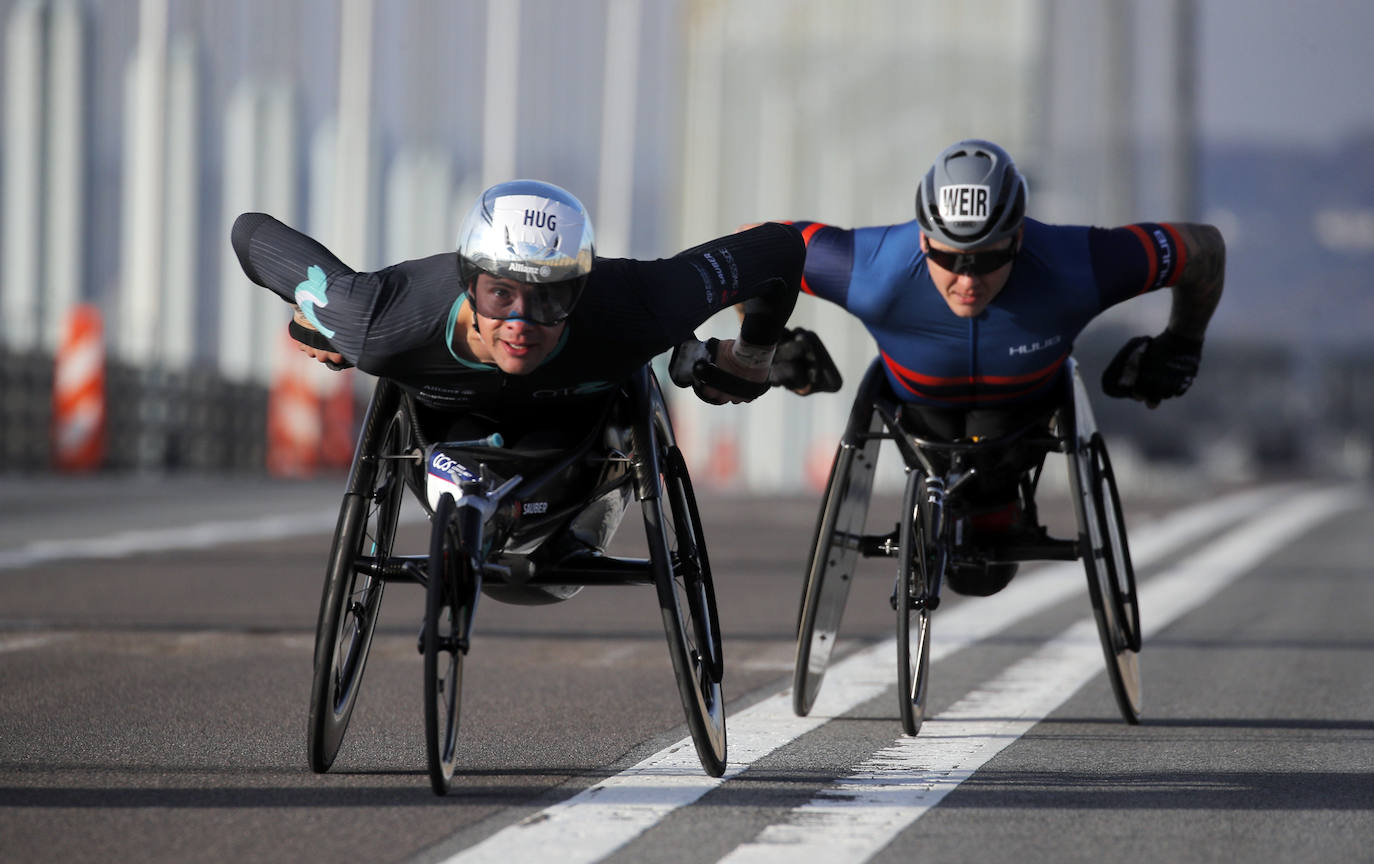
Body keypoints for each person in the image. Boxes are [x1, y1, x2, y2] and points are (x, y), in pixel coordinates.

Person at [232, 178, 804, 553]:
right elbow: (250, 232)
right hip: (446, 436)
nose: (521, 322)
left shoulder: (641, 303)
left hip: (577, 452)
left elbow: (780, 248)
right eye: (499, 295)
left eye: (550, 298)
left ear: (581, 290)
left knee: (640, 364)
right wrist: (325, 311)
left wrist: (752, 356)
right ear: (468, 282)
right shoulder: (380, 318)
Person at [765, 138, 1225, 596]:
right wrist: (767, 345)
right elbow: (756, 250)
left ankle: (994, 510)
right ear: (924, 239)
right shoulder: (871, 267)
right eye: (947, 257)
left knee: (987, 550)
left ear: (1019, 239)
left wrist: (1181, 344)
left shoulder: (1077, 265)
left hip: (1022, 425)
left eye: (987, 259)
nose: (967, 280)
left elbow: (1204, 248)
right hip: (919, 420)